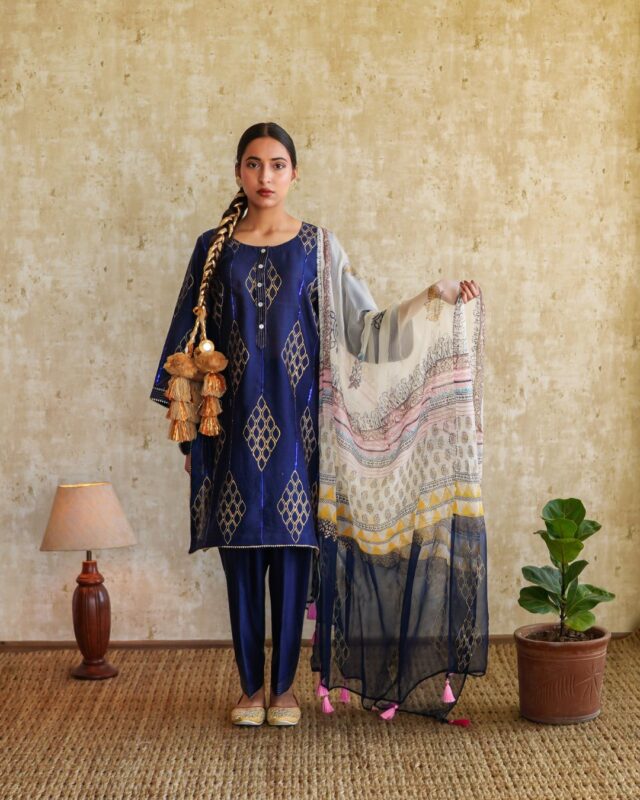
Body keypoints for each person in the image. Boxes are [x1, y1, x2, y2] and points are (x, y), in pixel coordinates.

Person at [150, 121, 487, 729]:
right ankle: (250, 689)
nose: (266, 176)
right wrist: (191, 436)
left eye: (278, 165)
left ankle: (283, 691)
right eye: (254, 164)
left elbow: (365, 330)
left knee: (293, 557)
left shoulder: (319, 249)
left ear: (295, 173)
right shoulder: (212, 249)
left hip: (302, 435)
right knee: (241, 561)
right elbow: (188, 344)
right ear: (238, 172)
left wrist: (430, 296)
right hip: (228, 432)